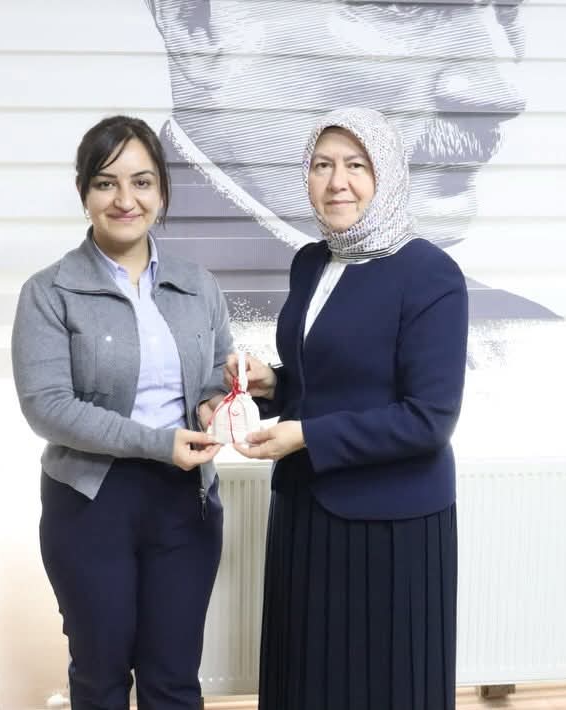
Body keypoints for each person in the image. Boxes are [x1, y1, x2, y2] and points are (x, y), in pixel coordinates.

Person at [228, 108, 467, 710]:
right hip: (306, 510)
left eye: (356, 165)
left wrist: (306, 435)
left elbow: (429, 418)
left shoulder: (430, 273)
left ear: (386, 174)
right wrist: (272, 384)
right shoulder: (311, 261)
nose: (337, 182)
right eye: (322, 165)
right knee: (306, 684)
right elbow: (331, 379)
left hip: (391, 527)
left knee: (384, 689)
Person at [143, 0, 556, 331]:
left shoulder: (526, 338)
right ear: (193, 23)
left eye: (506, 10)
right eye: (400, 6)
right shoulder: (132, 308)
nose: (502, 94)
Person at [11, 115, 233, 710]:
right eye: (106, 183)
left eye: (142, 182)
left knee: (174, 680)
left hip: (185, 500)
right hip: (90, 504)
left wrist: (219, 403)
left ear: (162, 191)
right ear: (83, 192)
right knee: (100, 676)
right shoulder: (48, 292)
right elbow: (48, 408)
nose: (125, 200)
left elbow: (213, 377)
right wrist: (159, 443)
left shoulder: (198, 286)